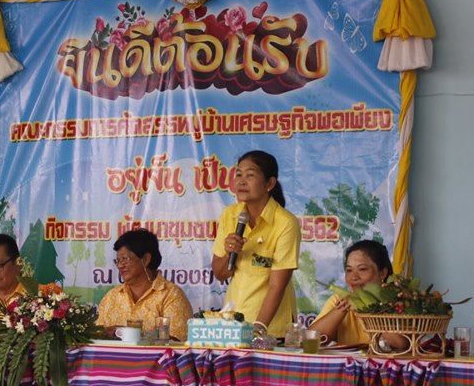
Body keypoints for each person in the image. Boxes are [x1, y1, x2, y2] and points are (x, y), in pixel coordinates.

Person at [212, 150, 300, 335]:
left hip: (271, 329)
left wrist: (258, 330)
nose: (241, 181)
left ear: (270, 183)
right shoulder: (230, 215)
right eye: (238, 175)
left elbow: (277, 286)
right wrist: (229, 253)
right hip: (234, 325)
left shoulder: (285, 223)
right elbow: (220, 274)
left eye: (250, 175)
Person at [309, 240, 409, 352]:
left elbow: (402, 345)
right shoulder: (338, 300)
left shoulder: (398, 302)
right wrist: (341, 309)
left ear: (382, 273)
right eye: (349, 270)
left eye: (362, 269)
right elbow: (310, 339)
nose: (353, 277)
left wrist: (365, 310)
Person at [97, 228, 193, 341]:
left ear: (146, 259)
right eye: (117, 260)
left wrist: (127, 334)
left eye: (124, 259)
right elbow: (96, 338)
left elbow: (178, 343)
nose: (120, 265)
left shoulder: (171, 296)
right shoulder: (111, 297)